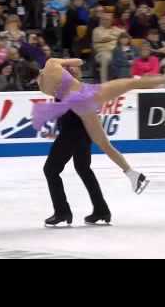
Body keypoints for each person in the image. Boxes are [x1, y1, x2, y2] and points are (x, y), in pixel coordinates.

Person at [33, 58, 165, 194]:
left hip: (79, 106)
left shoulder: (43, 88)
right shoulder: (51, 63)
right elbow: (79, 62)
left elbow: (62, 92)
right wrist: (68, 66)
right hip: (88, 93)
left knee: (104, 144)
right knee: (132, 82)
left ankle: (132, 174)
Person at [43, 66, 111, 227]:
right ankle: (101, 210)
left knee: (51, 170)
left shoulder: (69, 90)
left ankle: (62, 212)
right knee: (84, 169)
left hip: (71, 135)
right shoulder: (79, 89)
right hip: (83, 134)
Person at [93, 13, 124, 82]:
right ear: (101, 20)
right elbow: (103, 38)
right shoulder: (97, 30)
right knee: (105, 57)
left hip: (116, 51)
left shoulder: (116, 29)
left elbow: (124, 34)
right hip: (102, 53)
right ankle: (104, 83)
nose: (105, 21)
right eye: (103, 19)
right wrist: (114, 36)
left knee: (127, 53)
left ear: (112, 20)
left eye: (108, 19)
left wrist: (111, 36)